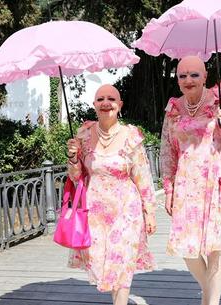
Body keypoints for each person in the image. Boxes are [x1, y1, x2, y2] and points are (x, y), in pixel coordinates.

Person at [160, 56, 221, 305]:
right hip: (185, 185)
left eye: (194, 75)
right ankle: (211, 295)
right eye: (182, 76)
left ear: (205, 76)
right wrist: (168, 190)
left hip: (214, 184)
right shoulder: (173, 109)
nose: (188, 80)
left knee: (214, 249)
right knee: (187, 250)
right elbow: (168, 151)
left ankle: (210, 302)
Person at [66, 84, 157, 305]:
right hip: (94, 211)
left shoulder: (131, 136)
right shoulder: (84, 135)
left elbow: (142, 176)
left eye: (111, 99)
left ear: (120, 105)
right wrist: (72, 158)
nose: (106, 103)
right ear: (94, 105)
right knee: (106, 264)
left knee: (122, 263)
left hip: (127, 210)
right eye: (100, 99)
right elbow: (76, 177)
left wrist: (150, 212)